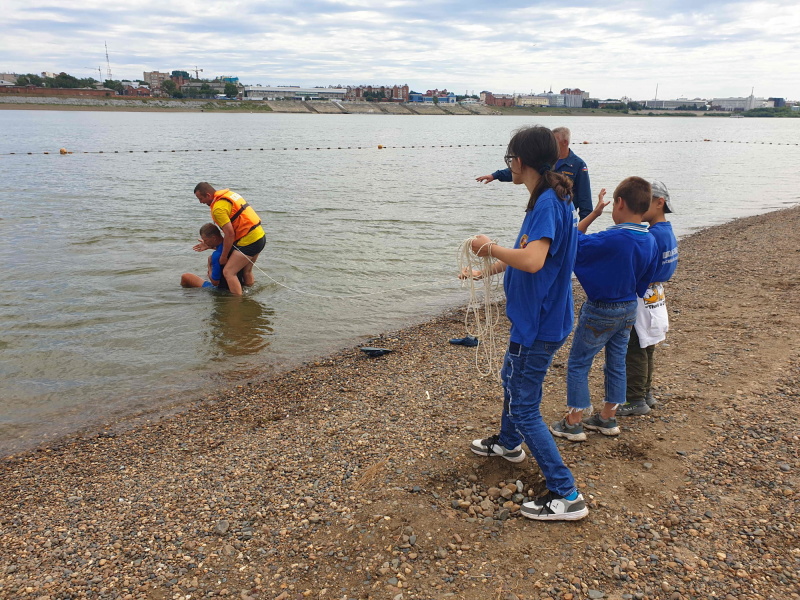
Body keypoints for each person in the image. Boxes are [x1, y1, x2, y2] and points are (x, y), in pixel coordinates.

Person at [465, 125, 588, 521]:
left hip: (539, 324)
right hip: (537, 319)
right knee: (511, 378)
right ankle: (508, 443)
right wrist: (490, 267)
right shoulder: (549, 197)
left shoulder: (549, 203)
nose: (509, 167)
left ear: (520, 162)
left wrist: (487, 247)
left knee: (524, 405)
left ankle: (565, 493)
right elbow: (531, 254)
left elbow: (534, 261)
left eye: (509, 160)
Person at [550, 176, 660, 442]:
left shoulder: (612, 239)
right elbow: (646, 278)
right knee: (617, 362)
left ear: (619, 203)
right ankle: (608, 418)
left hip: (601, 308)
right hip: (628, 308)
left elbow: (573, 241)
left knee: (579, 362)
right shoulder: (650, 240)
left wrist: (593, 215)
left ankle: (574, 422)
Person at [617, 181, 678, 416]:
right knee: (647, 346)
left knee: (635, 348)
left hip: (643, 297)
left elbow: (640, 267)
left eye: (646, 202)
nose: (640, 207)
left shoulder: (652, 235)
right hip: (657, 295)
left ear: (659, 203)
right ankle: (645, 393)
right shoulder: (667, 231)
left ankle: (634, 399)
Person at [476, 127, 593, 219]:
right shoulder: (544, 199)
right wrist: (495, 175)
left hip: (563, 215)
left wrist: (579, 233)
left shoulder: (578, 165)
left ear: (565, 142)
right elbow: (524, 170)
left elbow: (585, 200)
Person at [193, 182, 266, 296]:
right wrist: (210, 245)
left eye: (201, 198)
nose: (201, 202)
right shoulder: (229, 195)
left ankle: (236, 304)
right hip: (259, 236)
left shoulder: (218, 209)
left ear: (208, 195)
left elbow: (230, 234)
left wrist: (223, 256)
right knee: (246, 271)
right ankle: (250, 296)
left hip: (249, 241)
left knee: (229, 272)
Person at [180, 223, 245, 291]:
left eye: (205, 240)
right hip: (239, 284)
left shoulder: (216, 255)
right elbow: (222, 249)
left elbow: (215, 283)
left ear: (214, 238)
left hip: (220, 289)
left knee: (185, 276)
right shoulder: (233, 245)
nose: (204, 242)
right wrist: (211, 246)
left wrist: (209, 266)